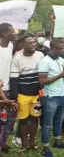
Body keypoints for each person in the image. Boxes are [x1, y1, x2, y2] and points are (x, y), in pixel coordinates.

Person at [38, 39, 64, 157]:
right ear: (53, 48)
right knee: (47, 124)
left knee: (59, 121)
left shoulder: (60, 59)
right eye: (60, 48)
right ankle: (45, 147)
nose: (63, 50)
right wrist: (60, 75)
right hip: (50, 97)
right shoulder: (45, 61)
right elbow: (42, 81)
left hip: (61, 95)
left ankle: (57, 142)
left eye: (63, 48)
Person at [10, 35, 44, 154]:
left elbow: (43, 74)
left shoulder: (40, 55)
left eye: (34, 42)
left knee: (35, 118)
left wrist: (42, 93)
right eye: (29, 43)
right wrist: (14, 97)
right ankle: (24, 144)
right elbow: (14, 79)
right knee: (23, 120)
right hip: (22, 96)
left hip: (37, 95)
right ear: (21, 45)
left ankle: (32, 142)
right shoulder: (17, 58)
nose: (33, 45)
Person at [0, 23, 17, 154]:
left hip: (9, 87)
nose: (14, 33)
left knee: (9, 119)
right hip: (1, 90)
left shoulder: (10, 46)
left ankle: (3, 142)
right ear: (5, 34)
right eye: (12, 31)